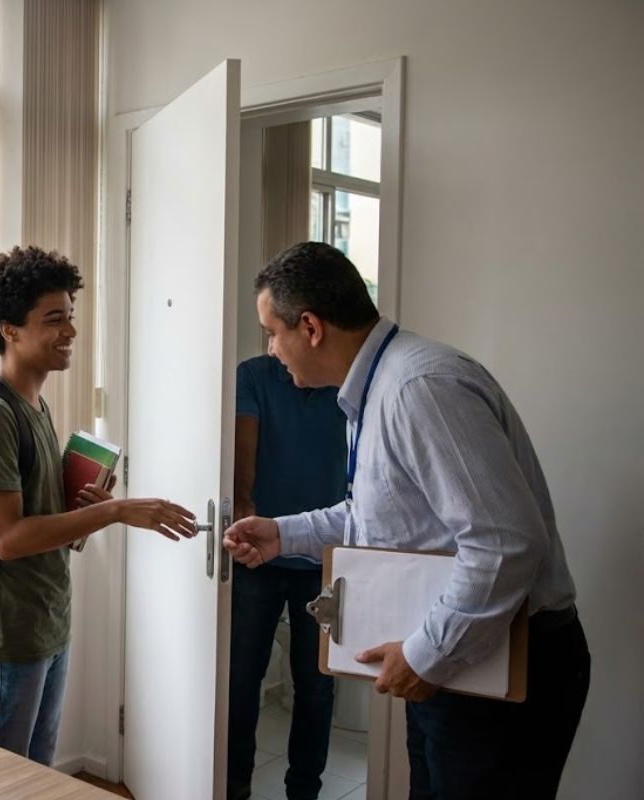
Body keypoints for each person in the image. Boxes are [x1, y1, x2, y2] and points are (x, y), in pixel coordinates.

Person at [225, 242, 588, 800]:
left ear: (312, 328)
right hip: (459, 657)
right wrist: (282, 533)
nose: (271, 350)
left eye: (272, 332)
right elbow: (379, 515)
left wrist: (424, 654)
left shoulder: (420, 389)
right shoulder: (372, 390)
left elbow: (507, 544)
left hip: (494, 664)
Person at [0, 245, 198, 765]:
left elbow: (37, 519)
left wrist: (80, 506)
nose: (70, 331)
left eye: (71, 316)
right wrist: (111, 511)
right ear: (9, 330)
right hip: (9, 633)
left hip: (46, 621)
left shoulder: (35, 405)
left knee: (36, 774)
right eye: (54, 319)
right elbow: (8, 538)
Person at [227, 354, 345, 800]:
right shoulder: (255, 375)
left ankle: (303, 791)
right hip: (261, 555)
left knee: (316, 685)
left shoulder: (343, 379)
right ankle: (234, 785)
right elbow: (244, 454)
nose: (274, 342)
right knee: (241, 681)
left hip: (325, 559)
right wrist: (243, 506)